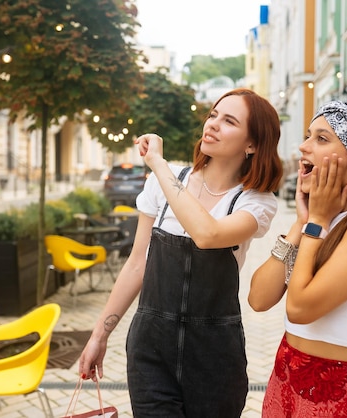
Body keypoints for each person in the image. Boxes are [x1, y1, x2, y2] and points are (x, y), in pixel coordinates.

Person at [78, 88, 283, 417]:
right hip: (150, 350)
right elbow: (135, 266)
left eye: (229, 120)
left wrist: (158, 164)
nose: (213, 124)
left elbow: (207, 234)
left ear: (252, 144)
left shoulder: (254, 202)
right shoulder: (162, 183)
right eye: (213, 115)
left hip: (214, 356)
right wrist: (99, 336)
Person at [248, 99, 347, 417]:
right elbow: (258, 299)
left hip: (340, 399)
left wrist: (316, 225)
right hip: (284, 384)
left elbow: (300, 308)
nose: (303, 147)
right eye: (308, 135)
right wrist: (300, 224)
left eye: (321, 138)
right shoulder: (321, 219)